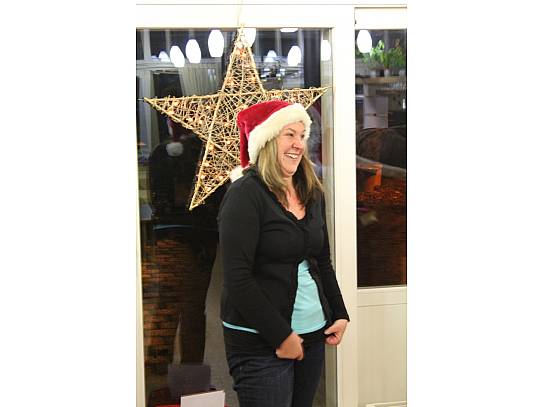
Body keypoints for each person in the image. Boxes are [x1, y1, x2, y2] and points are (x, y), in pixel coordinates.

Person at [218, 100, 350, 407]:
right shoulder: (245, 194)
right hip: (260, 339)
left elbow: (322, 261)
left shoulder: (310, 191)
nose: (298, 144)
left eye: (302, 136)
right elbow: (237, 278)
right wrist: (281, 335)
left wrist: (339, 312)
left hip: (312, 332)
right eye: (289, 135)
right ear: (266, 141)